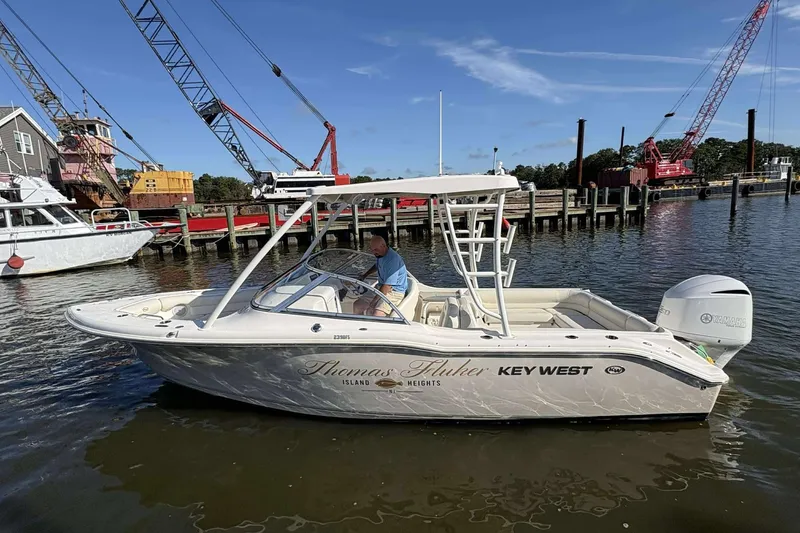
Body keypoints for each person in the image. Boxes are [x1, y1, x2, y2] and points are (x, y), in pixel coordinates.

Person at [353, 235, 408, 317]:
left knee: (377, 313)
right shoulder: (380, 255)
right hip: (380, 287)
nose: (374, 252)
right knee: (357, 305)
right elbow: (377, 266)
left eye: (375, 250)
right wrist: (365, 275)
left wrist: (373, 303)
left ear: (383, 246)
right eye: (372, 250)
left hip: (395, 291)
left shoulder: (392, 260)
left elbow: (387, 287)